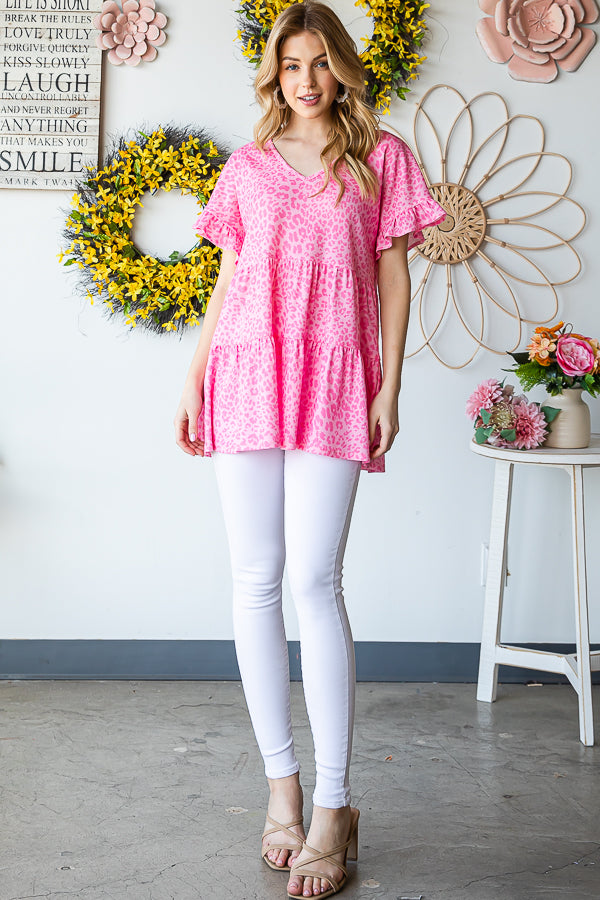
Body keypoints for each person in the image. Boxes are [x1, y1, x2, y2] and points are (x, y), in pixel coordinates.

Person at [174, 2, 446, 896]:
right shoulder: (246, 167)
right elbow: (226, 281)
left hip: (335, 376)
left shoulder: (381, 160)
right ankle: (282, 795)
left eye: (320, 62)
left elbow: (394, 277)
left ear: (343, 70)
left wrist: (389, 385)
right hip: (247, 371)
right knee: (254, 581)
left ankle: (334, 806)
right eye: (290, 65)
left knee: (314, 584)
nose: (307, 80)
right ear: (273, 76)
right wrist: (194, 377)